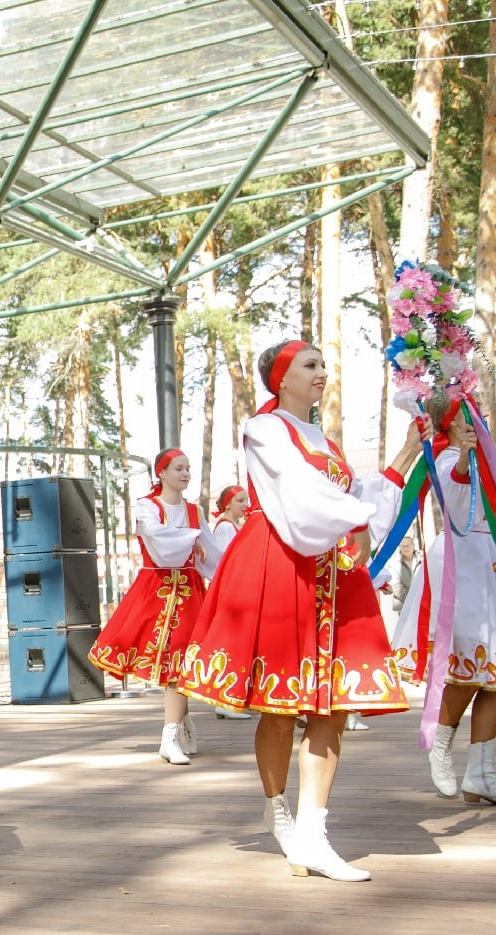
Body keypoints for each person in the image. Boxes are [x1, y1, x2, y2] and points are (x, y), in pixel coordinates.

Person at [178, 340, 422, 881]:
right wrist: (355, 517)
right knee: (283, 704)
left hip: (330, 571)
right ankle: (277, 806)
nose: (322, 373)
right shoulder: (263, 429)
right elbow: (300, 490)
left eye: (323, 366)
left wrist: (408, 451)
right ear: (281, 378)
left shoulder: (325, 441)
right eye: (309, 366)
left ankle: (314, 833)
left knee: (332, 702)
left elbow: (358, 494)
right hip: (281, 563)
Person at [390, 402, 496, 804]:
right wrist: (463, 454)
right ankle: (441, 748)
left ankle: (482, 772)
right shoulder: (443, 456)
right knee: (468, 669)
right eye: (466, 417)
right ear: (449, 423)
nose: (476, 423)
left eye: (476, 416)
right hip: (461, 568)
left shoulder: (484, 460)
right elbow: (456, 497)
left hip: (494, 562)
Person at [89, 449, 215, 764]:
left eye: (188, 468)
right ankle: (170, 735)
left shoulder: (194, 511)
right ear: (161, 473)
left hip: (189, 593)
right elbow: (162, 547)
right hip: (156, 592)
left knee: (184, 662)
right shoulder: (148, 507)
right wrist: (192, 537)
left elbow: (213, 553)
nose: (185, 474)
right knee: (176, 666)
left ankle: (181, 724)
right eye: (178, 468)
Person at [199, 484, 253, 721]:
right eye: (240, 500)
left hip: (236, 592)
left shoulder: (231, 527)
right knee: (231, 644)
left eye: (246, 500)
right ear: (228, 503)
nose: (245, 505)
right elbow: (224, 564)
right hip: (232, 594)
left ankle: (231, 697)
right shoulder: (225, 529)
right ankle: (225, 699)